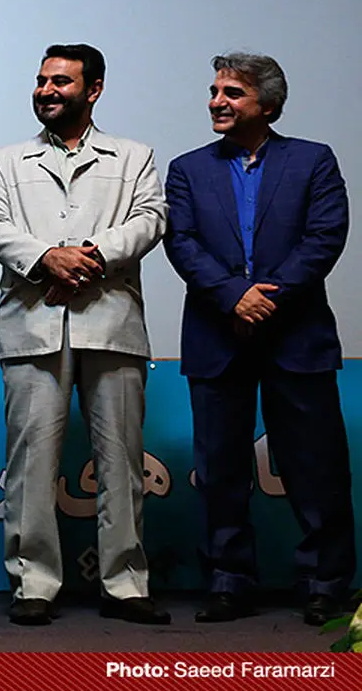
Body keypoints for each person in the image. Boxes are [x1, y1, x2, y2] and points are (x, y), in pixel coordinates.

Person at [0, 44, 170, 626]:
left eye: (61, 81)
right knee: (31, 464)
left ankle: (126, 584)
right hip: (32, 327)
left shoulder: (134, 156)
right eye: (41, 80)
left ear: (94, 89)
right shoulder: (6, 161)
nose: (46, 90)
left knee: (122, 463)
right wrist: (46, 260)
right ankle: (33, 583)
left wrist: (88, 258)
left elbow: (151, 218)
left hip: (111, 324)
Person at [163, 53, 355, 626]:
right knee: (219, 470)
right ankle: (228, 582)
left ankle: (325, 583)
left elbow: (326, 236)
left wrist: (265, 299)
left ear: (267, 105)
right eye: (214, 91)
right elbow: (182, 242)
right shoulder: (187, 169)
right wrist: (233, 297)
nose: (216, 101)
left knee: (315, 467)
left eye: (232, 93)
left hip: (297, 336)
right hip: (216, 336)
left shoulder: (313, 160)